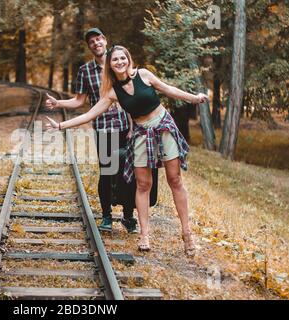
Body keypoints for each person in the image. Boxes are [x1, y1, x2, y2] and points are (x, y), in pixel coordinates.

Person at [46, 45, 208, 257]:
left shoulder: (143, 75)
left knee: (174, 179)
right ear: (110, 66)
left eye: (123, 58)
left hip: (164, 126)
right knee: (143, 184)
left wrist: (194, 98)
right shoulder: (113, 93)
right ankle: (144, 235)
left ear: (128, 59)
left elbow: (169, 89)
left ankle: (187, 234)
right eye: (115, 60)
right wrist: (60, 126)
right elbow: (89, 114)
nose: (120, 62)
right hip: (142, 134)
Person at [46, 28, 159, 234]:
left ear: (105, 40)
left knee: (130, 173)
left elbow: (134, 94)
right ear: (89, 46)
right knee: (107, 172)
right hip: (104, 128)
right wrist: (58, 102)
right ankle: (106, 216)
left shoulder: (118, 62)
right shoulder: (85, 71)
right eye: (91, 41)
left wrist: (134, 125)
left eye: (98, 39)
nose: (96, 43)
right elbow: (79, 101)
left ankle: (128, 216)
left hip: (126, 126)